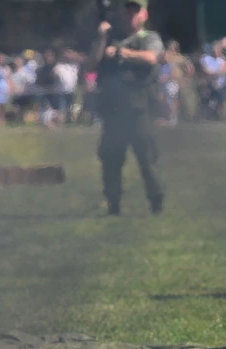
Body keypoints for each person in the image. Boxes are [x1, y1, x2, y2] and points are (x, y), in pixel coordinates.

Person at [89, 0, 164, 216]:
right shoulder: (110, 37)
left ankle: (156, 201)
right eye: (128, 10)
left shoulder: (149, 38)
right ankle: (113, 202)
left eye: (136, 10)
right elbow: (92, 63)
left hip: (139, 109)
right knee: (110, 159)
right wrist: (102, 37)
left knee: (147, 159)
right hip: (113, 110)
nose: (131, 14)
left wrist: (122, 52)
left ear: (144, 14)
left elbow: (151, 57)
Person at [200, 41, 226, 121]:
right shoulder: (206, 58)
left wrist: (212, 72)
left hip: (220, 84)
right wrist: (215, 72)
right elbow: (205, 70)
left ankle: (221, 118)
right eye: (215, 50)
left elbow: (223, 71)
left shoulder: (223, 60)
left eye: (218, 50)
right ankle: (207, 117)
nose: (216, 52)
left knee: (221, 102)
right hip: (209, 85)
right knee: (208, 101)